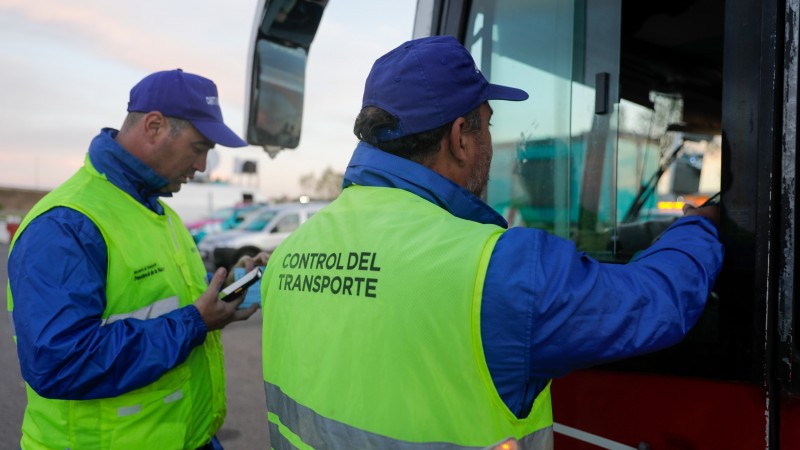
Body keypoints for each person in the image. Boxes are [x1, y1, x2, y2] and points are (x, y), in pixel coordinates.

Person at [259, 36, 723, 449]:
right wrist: (698, 226)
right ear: (461, 137)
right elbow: (657, 303)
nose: (493, 142)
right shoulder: (497, 268)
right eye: (488, 124)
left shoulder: (288, 257)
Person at [7, 69, 265, 450]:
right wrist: (194, 323)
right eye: (199, 148)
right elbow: (58, 362)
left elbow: (163, 298)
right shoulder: (68, 224)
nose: (202, 166)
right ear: (155, 126)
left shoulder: (160, 215)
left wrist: (224, 290)